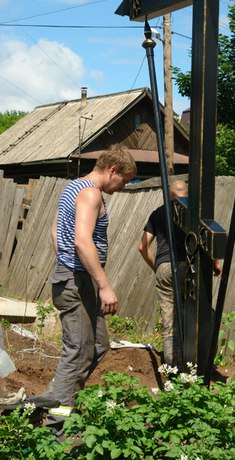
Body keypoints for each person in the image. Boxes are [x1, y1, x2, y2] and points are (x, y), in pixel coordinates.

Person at [46, 144, 137, 432]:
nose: (123, 186)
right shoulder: (90, 193)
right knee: (78, 351)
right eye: (124, 180)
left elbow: (55, 232)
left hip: (74, 277)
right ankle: (56, 426)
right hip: (77, 281)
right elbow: (82, 240)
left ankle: (53, 400)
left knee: (97, 345)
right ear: (112, 170)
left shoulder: (72, 188)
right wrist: (103, 285)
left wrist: (66, 263)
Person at [138, 179, 222, 367]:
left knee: (170, 321)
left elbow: (142, 246)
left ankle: (173, 366)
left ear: (169, 195)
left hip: (164, 267)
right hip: (190, 266)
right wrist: (215, 263)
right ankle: (205, 363)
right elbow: (209, 238)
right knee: (203, 314)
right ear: (188, 194)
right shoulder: (196, 212)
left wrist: (158, 266)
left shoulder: (158, 212)